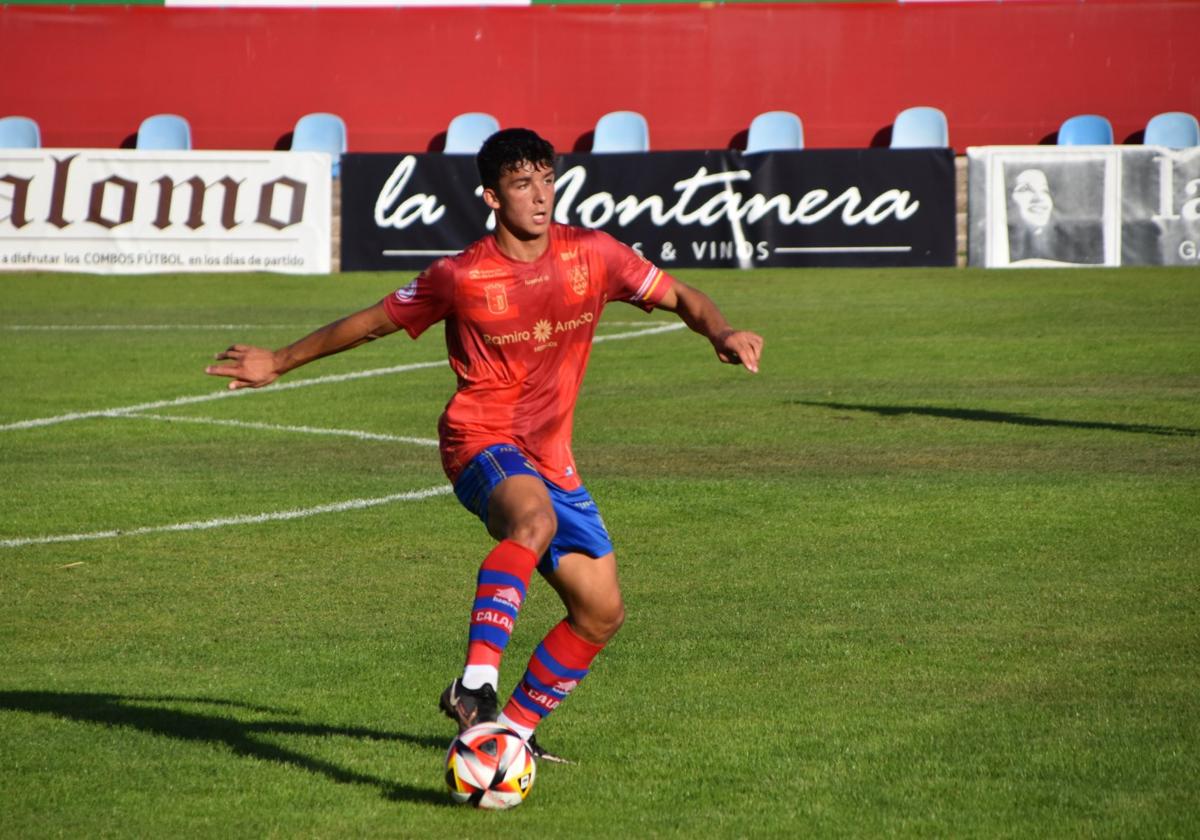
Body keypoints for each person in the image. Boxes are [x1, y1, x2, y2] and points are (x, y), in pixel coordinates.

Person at [206, 128, 763, 763]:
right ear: (491, 196)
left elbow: (683, 295)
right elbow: (368, 325)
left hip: (554, 455)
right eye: (522, 184)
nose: (540, 196)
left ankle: (509, 735)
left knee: (601, 612)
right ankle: (475, 684)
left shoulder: (594, 254)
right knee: (533, 519)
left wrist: (720, 330)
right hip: (481, 439)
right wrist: (278, 359)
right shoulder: (461, 276)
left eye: (547, 180)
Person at [1006, 167, 1104, 265]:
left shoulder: (1077, 245)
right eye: (1025, 189)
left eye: (1044, 190)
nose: (1039, 198)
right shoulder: (1002, 245)